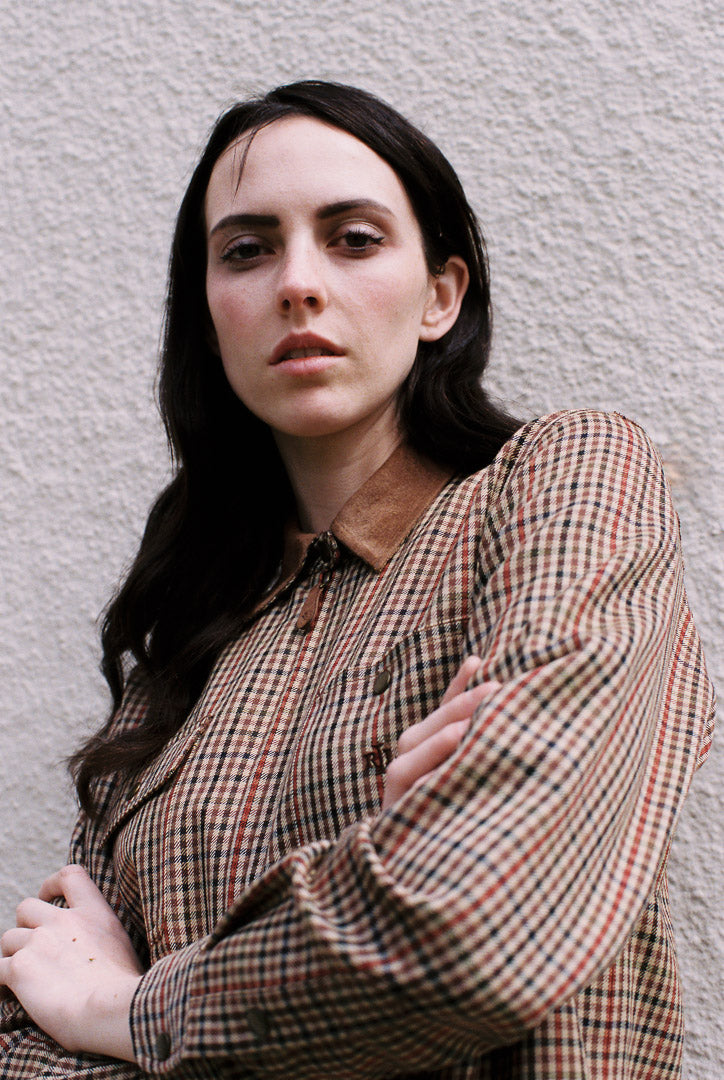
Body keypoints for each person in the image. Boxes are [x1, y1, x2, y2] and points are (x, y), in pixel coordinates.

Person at [0, 80, 715, 1079]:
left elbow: (473, 927)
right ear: (210, 318)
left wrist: (134, 1008)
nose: (297, 282)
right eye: (246, 250)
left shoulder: (564, 481)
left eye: (353, 238)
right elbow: (35, 1035)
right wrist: (383, 856)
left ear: (440, 296)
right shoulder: (181, 650)